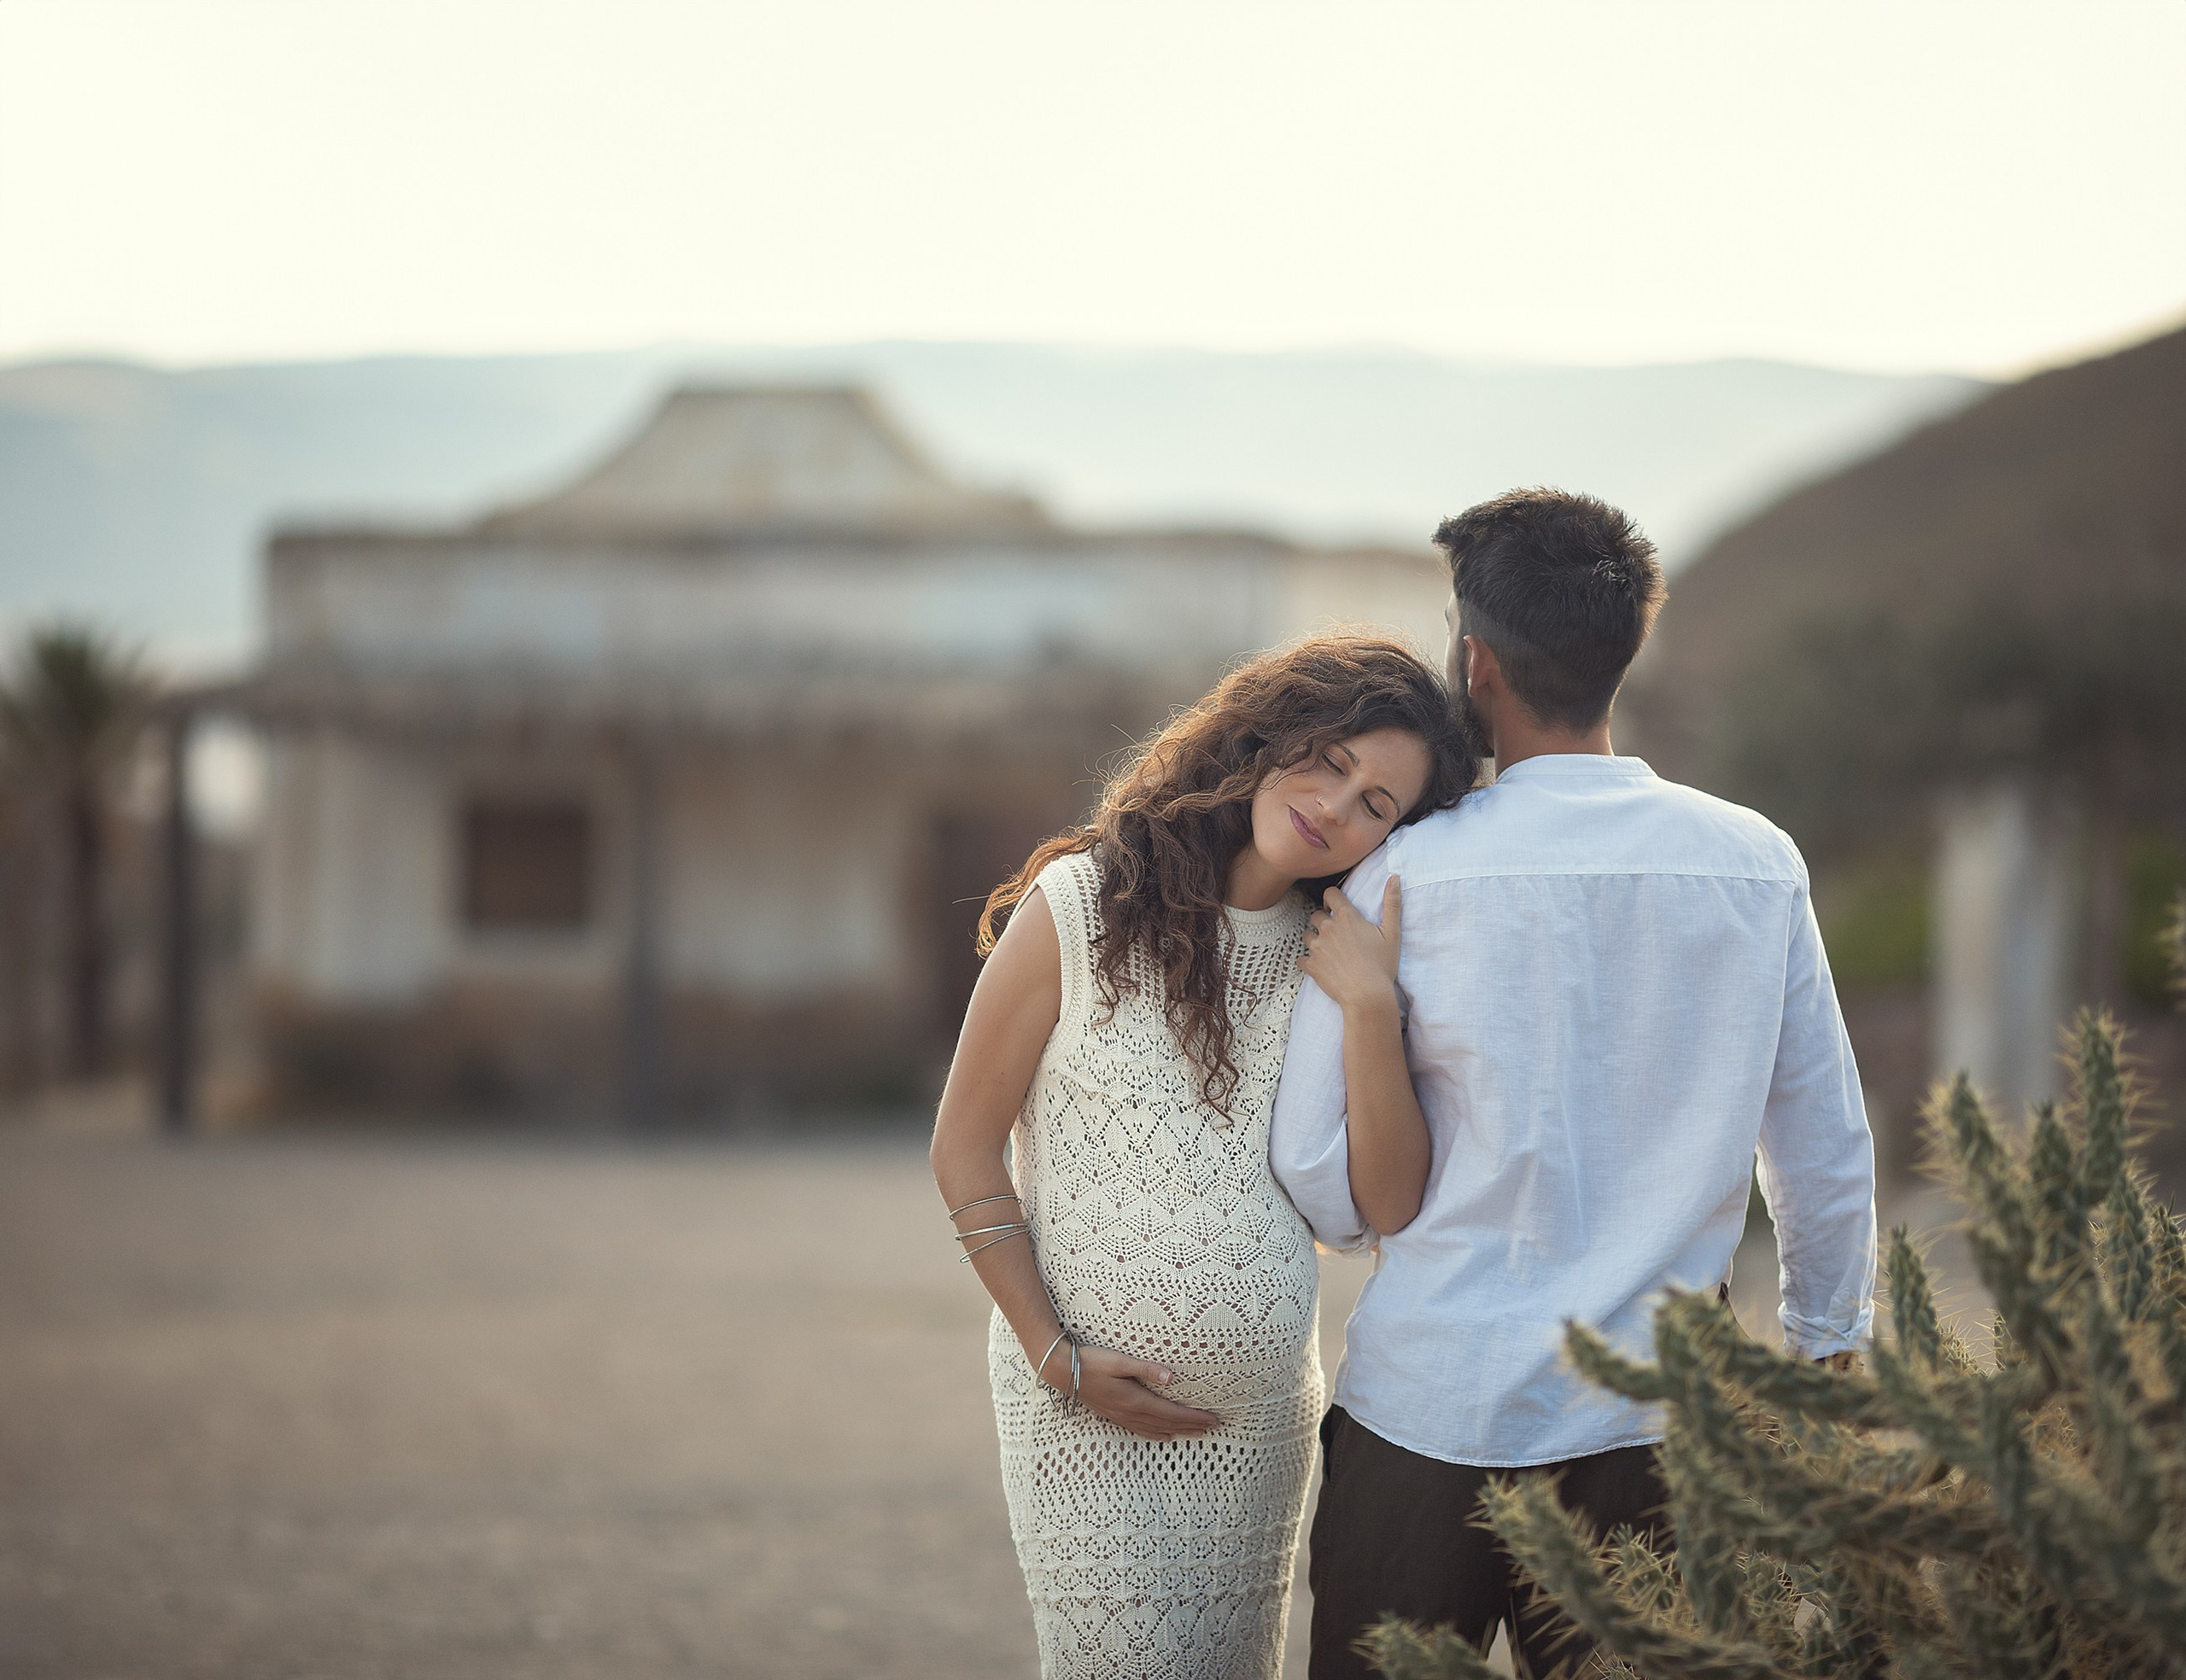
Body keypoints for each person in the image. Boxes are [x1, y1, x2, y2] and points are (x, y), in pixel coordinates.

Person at [1272, 490, 1879, 1680]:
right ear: (1623, 656)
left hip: (1423, 1414)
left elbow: (1322, 1180)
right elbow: (1822, 1146)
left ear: (1475, 660)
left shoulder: (1400, 871)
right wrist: (1822, 1352)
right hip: (1657, 1431)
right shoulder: (1754, 864)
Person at [930, 635, 1477, 1680]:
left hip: (1257, 1420)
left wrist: (1369, 1004)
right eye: (1330, 758)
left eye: (1377, 805)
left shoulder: (1339, 952)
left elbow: (1387, 1203)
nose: (1336, 803)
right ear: (1271, 730)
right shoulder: (1081, 908)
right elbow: (961, 1146)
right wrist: (1058, 1355)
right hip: (1081, 1407)